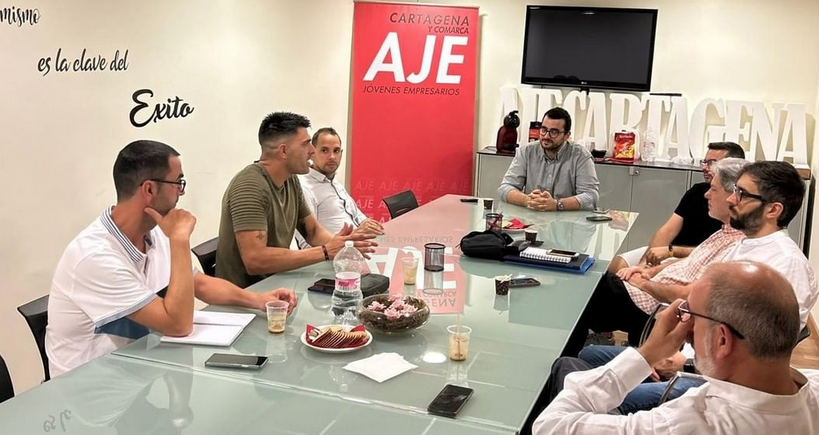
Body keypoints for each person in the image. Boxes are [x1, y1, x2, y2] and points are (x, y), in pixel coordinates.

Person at [46, 140, 297, 377]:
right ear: (149, 189)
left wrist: (257, 300)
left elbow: (198, 283)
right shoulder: (95, 257)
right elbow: (178, 325)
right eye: (178, 183)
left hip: (134, 373)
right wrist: (179, 239)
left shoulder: (153, 232)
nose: (181, 192)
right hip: (90, 391)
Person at [534, 262, 819, 434]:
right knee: (570, 365)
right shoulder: (812, 392)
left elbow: (550, 425)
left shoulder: (685, 424)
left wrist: (647, 354)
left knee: (566, 368)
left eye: (691, 315)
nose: (685, 324)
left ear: (722, 340)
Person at [563, 158, 749, 357]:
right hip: (648, 286)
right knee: (585, 283)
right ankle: (566, 358)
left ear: (733, 195)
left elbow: (689, 295)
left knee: (583, 288)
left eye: (713, 189)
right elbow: (683, 251)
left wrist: (644, 283)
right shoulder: (724, 232)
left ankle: (564, 360)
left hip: (651, 304)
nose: (707, 194)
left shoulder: (737, 245)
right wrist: (647, 270)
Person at [216, 112, 377, 288]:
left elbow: (312, 231)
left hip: (277, 283)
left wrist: (342, 246)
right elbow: (255, 260)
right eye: (306, 144)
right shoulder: (250, 187)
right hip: (248, 293)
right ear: (283, 151)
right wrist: (325, 251)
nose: (312, 151)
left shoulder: (290, 180)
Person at [608, 142, 745, 272]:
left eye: (712, 163)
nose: (705, 167)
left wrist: (669, 255)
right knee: (615, 266)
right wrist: (644, 263)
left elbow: (711, 254)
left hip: (693, 259)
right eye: (704, 162)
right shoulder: (697, 191)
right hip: (669, 251)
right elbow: (667, 231)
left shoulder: (739, 209)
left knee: (627, 279)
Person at [296, 127, 383, 248]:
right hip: (339, 253)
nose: (332, 156)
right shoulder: (305, 188)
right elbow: (306, 245)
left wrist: (370, 226)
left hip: (358, 246)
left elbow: (359, 217)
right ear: (312, 153)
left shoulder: (334, 182)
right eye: (324, 150)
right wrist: (350, 239)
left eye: (336, 151)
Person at [498, 107, 599, 211]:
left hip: (567, 219)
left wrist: (557, 205)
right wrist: (528, 200)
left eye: (554, 132)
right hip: (531, 218)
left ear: (566, 135)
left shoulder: (581, 156)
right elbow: (505, 188)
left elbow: (591, 196)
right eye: (543, 130)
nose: (546, 136)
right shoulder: (527, 152)